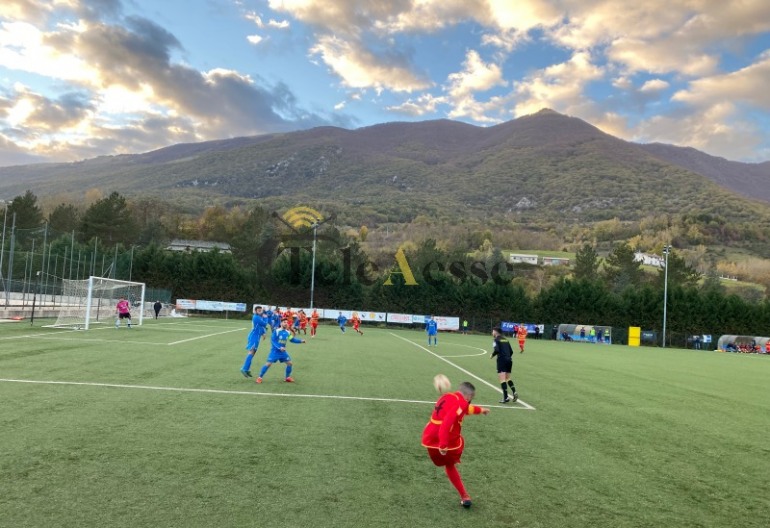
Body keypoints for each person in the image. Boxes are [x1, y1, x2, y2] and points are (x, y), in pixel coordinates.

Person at [421, 381, 489, 508]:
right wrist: (443, 444)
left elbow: (464, 410)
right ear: (468, 397)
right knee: (451, 463)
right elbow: (447, 423)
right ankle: (464, 495)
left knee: (449, 465)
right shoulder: (461, 403)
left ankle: (465, 496)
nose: (469, 401)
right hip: (444, 440)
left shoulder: (446, 396)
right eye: (471, 399)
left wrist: (480, 410)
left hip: (429, 437)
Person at [255, 319, 305, 383]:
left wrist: (300, 341)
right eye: (284, 322)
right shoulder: (277, 331)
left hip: (282, 352)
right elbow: (273, 341)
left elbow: (292, 339)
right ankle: (260, 377)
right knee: (268, 364)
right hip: (275, 351)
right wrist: (279, 347)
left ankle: (287, 377)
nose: (286, 323)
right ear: (281, 323)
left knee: (289, 363)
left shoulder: (288, 332)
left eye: (287, 322)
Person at [491, 327, 519, 403]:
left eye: (493, 331)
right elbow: (511, 351)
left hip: (502, 360)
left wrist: (492, 355)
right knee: (508, 378)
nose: (492, 333)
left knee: (502, 379)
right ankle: (514, 391)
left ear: (496, 332)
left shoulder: (496, 340)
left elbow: (496, 350)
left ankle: (506, 397)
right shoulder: (506, 339)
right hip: (509, 360)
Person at [240, 305, 268, 378]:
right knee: (251, 352)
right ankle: (244, 368)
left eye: (260, 310)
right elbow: (264, 324)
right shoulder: (256, 317)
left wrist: (263, 333)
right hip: (254, 336)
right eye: (258, 310)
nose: (260, 311)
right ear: (255, 311)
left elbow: (260, 327)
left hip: (256, 336)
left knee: (253, 353)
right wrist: (266, 317)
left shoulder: (259, 317)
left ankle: (247, 369)